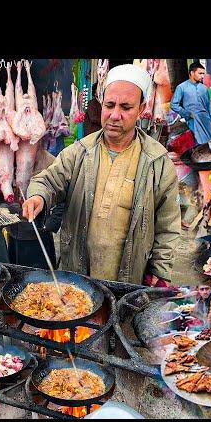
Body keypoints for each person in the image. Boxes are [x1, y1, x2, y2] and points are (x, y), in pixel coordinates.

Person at [23, 64, 181, 285]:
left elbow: (168, 223)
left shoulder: (157, 160)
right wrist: (38, 196)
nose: (115, 115)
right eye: (110, 105)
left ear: (141, 108)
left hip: (129, 278)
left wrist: (160, 269)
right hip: (78, 278)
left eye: (126, 107)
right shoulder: (80, 151)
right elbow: (49, 180)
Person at [170, 62, 211, 145]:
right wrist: (187, 114)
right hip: (193, 120)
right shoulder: (181, 87)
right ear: (192, 73)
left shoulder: (204, 88)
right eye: (200, 73)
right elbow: (173, 104)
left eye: (203, 73)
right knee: (199, 145)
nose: (202, 76)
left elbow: (208, 106)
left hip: (206, 120)